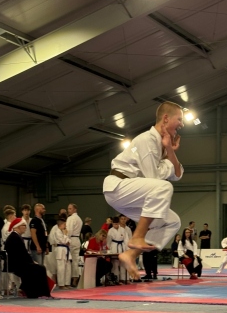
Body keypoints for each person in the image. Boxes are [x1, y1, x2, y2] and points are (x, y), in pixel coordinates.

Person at [103, 101, 184, 280]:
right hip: (119, 186)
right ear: (165, 118)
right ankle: (137, 237)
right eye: (179, 119)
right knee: (164, 187)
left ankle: (130, 255)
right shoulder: (147, 139)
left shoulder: (161, 146)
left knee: (172, 221)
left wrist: (169, 150)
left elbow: (178, 174)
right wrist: (166, 155)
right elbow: (153, 179)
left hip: (133, 194)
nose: (182, 124)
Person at [4, 218, 52, 298]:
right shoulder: (15, 237)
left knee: (38, 267)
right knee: (40, 268)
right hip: (15, 264)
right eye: (24, 225)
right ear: (18, 226)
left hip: (17, 262)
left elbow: (23, 254)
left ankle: (29, 290)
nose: (25, 227)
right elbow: (22, 254)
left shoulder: (16, 236)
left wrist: (31, 261)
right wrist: (32, 261)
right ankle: (36, 292)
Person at [106, 216, 128, 283]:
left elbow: (126, 239)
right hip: (114, 246)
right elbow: (108, 241)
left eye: (117, 224)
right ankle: (115, 278)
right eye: (114, 224)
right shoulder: (110, 230)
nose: (116, 225)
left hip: (122, 246)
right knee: (115, 263)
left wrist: (127, 248)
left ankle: (123, 278)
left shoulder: (123, 230)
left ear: (119, 223)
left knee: (123, 263)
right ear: (112, 224)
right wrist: (109, 249)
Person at [66, 203, 83, 287]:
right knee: (75, 260)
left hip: (71, 239)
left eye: (70, 208)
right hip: (77, 239)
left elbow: (69, 231)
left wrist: (66, 239)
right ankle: (75, 279)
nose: (68, 210)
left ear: (75, 209)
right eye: (68, 208)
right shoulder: (79, 219)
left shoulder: (70, 218)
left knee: (69, 260)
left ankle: (69, 280)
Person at [55, 219, 72, 289]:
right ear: (60, 224)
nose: (65, 226)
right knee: (61, 268)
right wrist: (65, 236)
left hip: (66, 250)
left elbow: (69, 241)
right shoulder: (57, 232)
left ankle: (67, 283)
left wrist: (66, 237)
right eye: (64, 224)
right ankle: (61, 284)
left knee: (68, 267)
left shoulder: (64, 232)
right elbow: (63, 241)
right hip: (60, 250)